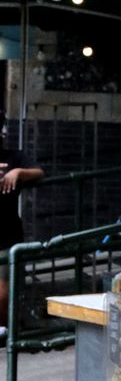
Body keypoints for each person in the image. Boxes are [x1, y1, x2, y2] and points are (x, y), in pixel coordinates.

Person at [0, 125, 44, 343]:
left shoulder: (14, 157)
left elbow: (39, 171)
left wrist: (18, 173)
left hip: (7, 233)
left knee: (4, 289)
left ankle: (4, 331)